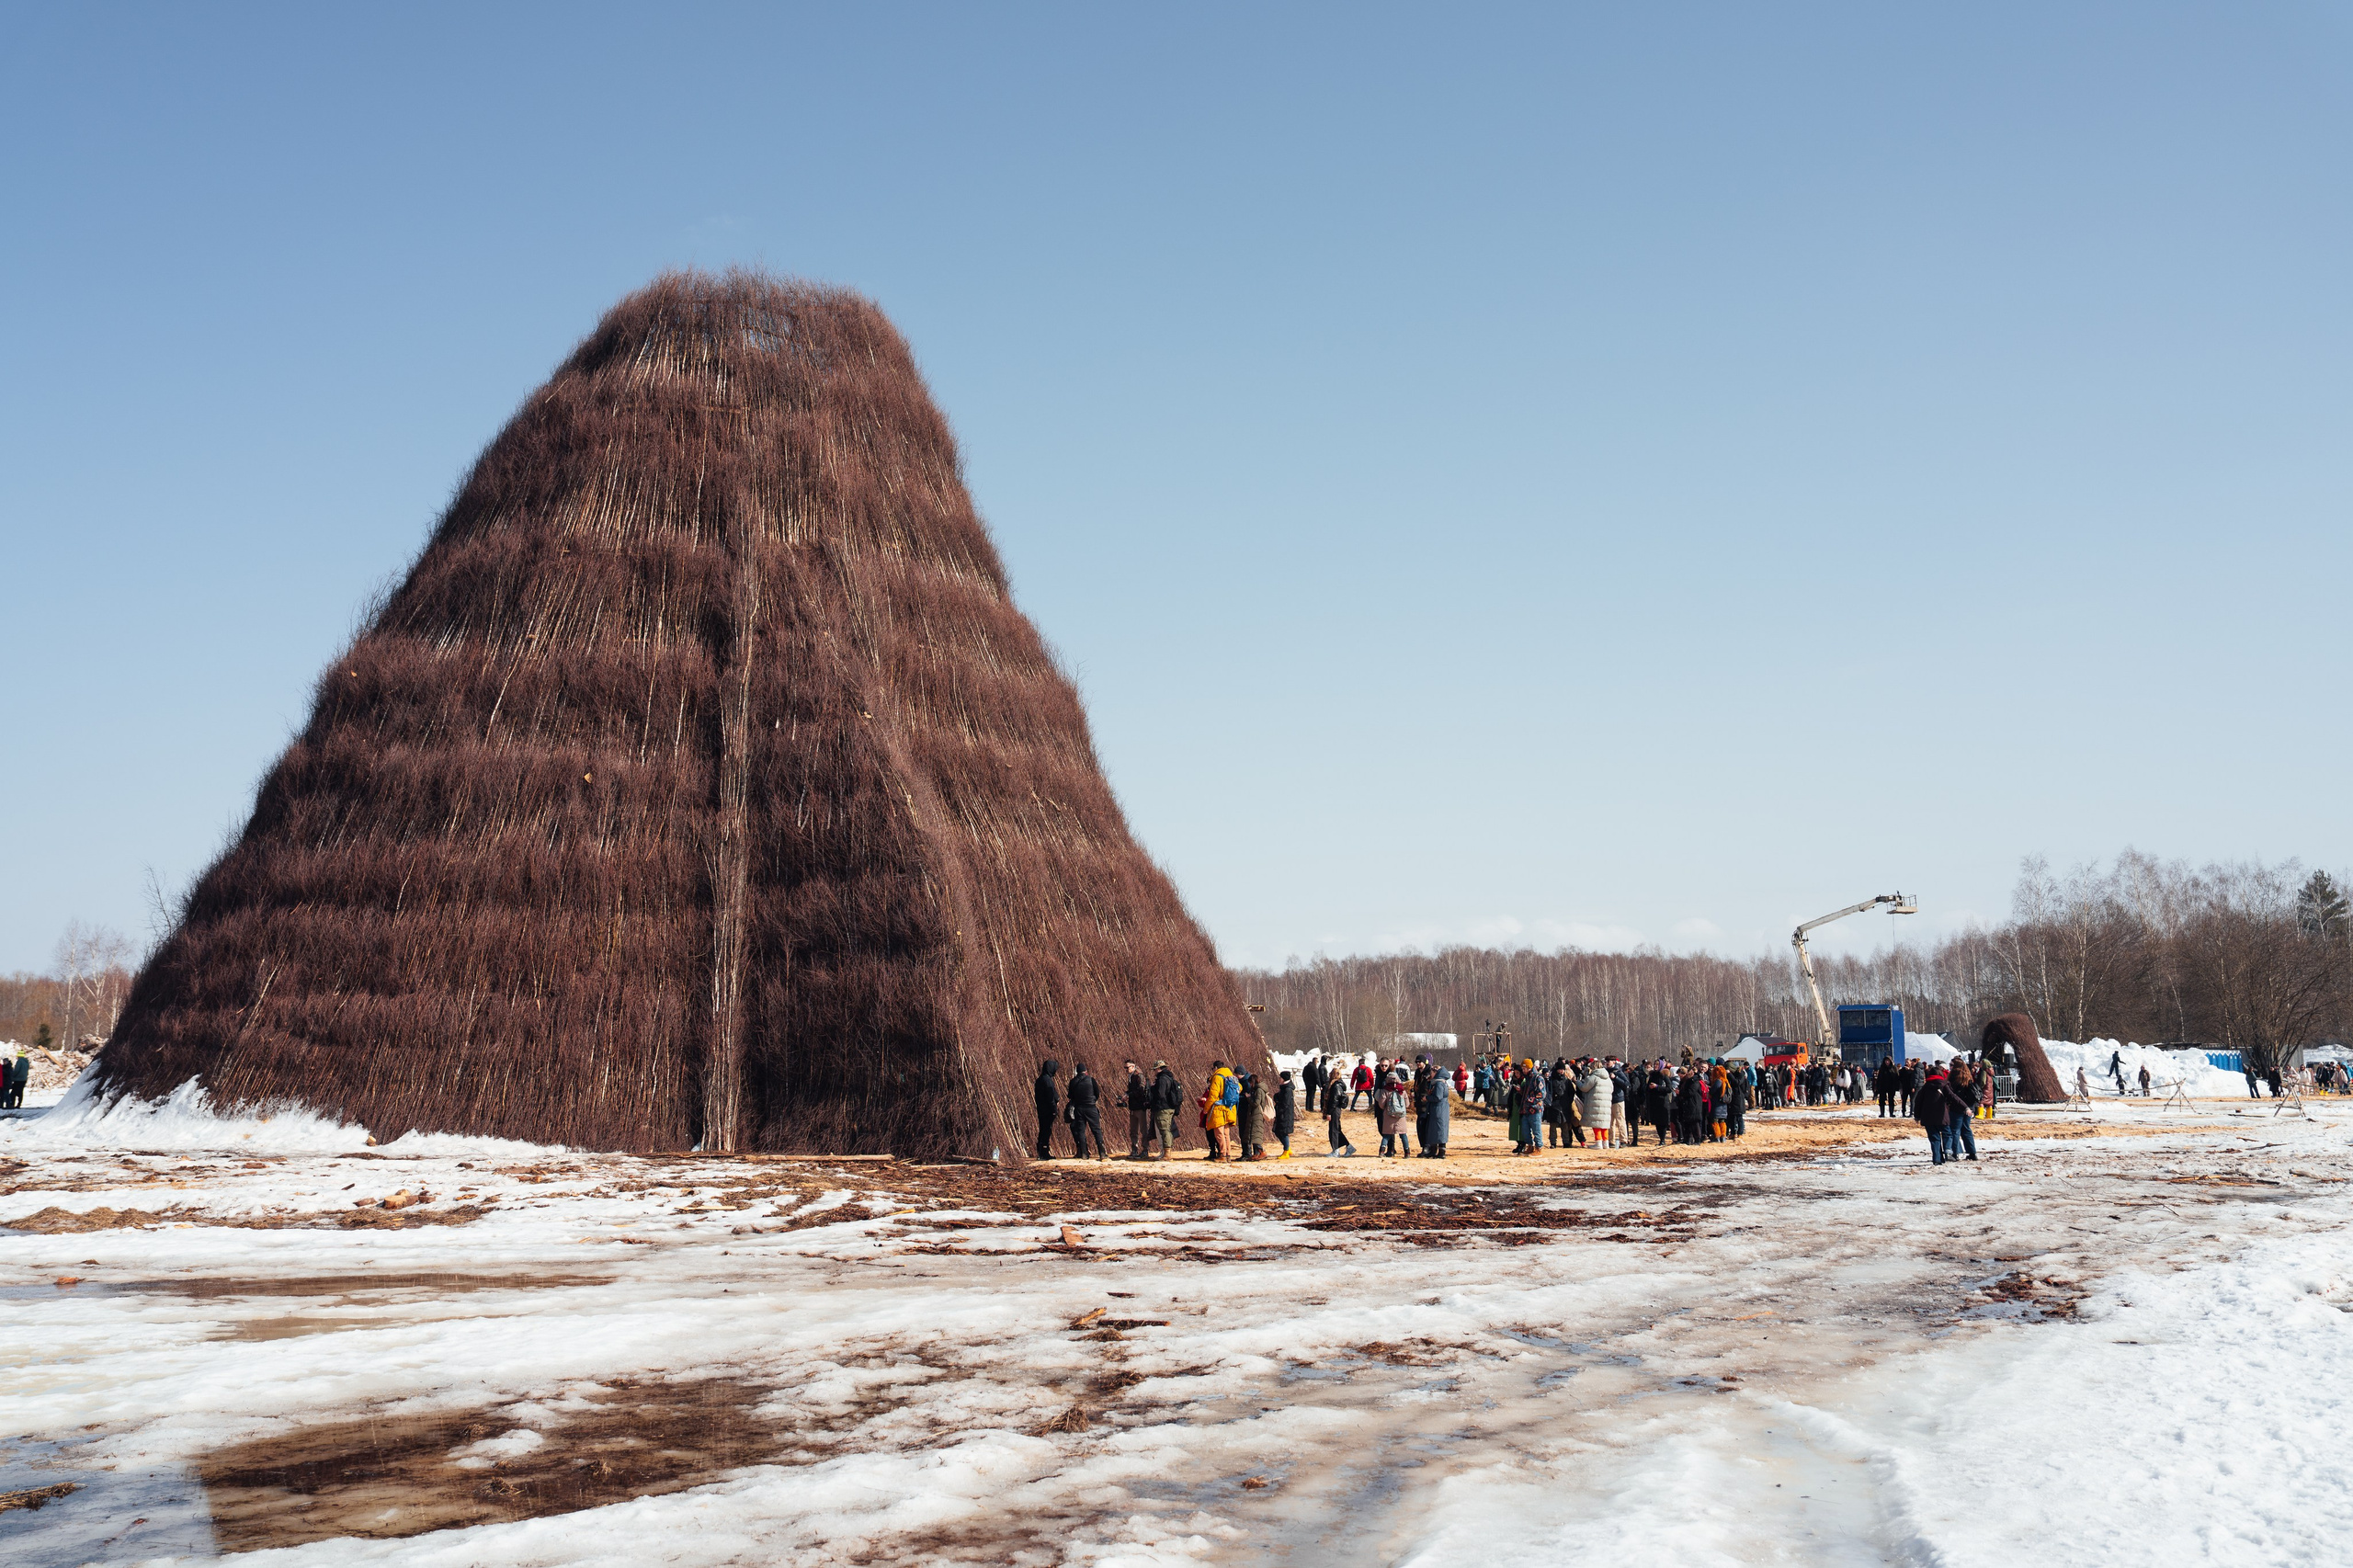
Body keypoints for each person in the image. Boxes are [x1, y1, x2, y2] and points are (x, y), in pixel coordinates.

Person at [1915, 1064, 1957, 1164]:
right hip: (1942, 1117)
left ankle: (1937, 1159)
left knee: (1934, 1139)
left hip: (1928, 1117)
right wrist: (1965, 1107)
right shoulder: (1944, 1085)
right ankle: (1947, 1150)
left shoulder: (1925, 1087)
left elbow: (1918, 1102)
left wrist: (1917, 1116)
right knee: (1947, 1134)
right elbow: (1953, 1097)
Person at [1066, 1062, 1107, 1160]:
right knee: (1096, 1130)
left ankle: (1084, 1154)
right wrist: (1092, 1100)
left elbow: (1070, 1096)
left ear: (1077, 1072)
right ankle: (1102, 1153)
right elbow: (1097, 1093)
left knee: (1081, 1131)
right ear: (1086, 1071)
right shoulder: (1091, 1080)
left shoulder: (1073, 1081)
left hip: (1079, 1108)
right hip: (1091, 1107)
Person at [1205, 1060, 1240, 1159]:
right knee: (1226, 1134)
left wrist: (1206, 1109)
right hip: (1229, 1108)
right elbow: (1239, 1088)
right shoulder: (1231, 1076)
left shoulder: (1217, 1077)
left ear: (1216, 1068)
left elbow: (1213, 1096)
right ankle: (1228, 1154)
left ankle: (1222, 1154)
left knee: (1219, 1133)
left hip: (1219, 1109)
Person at [1149, 1061, 1183, 1158]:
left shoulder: (1162, 1079)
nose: (1154, 1072)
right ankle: (1166, 1152)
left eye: (1154, 1070)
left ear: (1158, 1069)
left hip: (1163, 1108)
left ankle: (1167, 1154)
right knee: (1167, 1129)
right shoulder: (1169, 1078)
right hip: (1169, 1108)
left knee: (1164, 1130)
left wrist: (1153, 1088)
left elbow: (1160, 1094)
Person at [1033, 1060, 1063, 1160]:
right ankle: (1044, 1152)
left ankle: (1041, 1151)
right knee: (1046, 1130)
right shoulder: (1048, 1080)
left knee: (1043, 1130)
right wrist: (1054, 1109)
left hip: (1041, 1109)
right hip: (1047, 1109)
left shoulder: (1040, 1080)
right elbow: (1051, 1096)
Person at [1123, 1061, 1152, 1158]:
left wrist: (1129, 1095)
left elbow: (1141, 1090)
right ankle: (1134, 1149)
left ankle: (1145, 1150)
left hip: (1140, 1106)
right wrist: (1126, 1094)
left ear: (1133, 1066)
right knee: (1133, 1130)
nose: (1126, 1070)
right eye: (1125, 1068)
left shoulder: (1139, 1076)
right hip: (1133, 1107)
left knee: (1143, 1130)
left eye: (1127, 1068)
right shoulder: (1131, 1077)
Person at [1324, 1081, 1356, 1155]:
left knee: (1333, 1130)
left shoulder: (1336, 1086)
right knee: (1337, 1129)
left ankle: (1336, 1151)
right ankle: (1349, 1147)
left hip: (1334, 1110)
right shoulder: (1338, 1085)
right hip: (1336, 1109)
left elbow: (1334, 1100)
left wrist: (1329, 1112)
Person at [1273, 1070, 1297, 1157]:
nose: (1279, 1079)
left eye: (1280, 1077)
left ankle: (1286, 1150)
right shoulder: (1284, 1087)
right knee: (1278, 1131)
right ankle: (1287, 1148)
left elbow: (1285, 1104)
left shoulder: (1287, 1089)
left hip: (1285, 1115)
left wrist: (1278, 1110)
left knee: (1282, 1132)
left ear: (1283, 1079)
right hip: (1283, 1114)